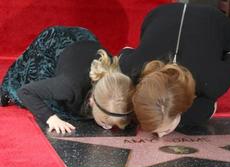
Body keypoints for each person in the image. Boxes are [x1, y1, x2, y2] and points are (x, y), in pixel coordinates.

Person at [119, 3, 230, 137]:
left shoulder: (212, 82)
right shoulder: (131, 67)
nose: (160, 136)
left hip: (216, 19)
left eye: (166, 130)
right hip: (160, 13)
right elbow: (126, 51)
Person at [0, 26, 134, 135]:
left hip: (85, 42)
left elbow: (128, 50)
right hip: (56, 42)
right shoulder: (69, 87)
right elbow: (25, 92)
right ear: (92, 101)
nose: (108, 127)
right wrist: (50, 118)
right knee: (30, 79)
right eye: (106, 122)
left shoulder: (122, 82)